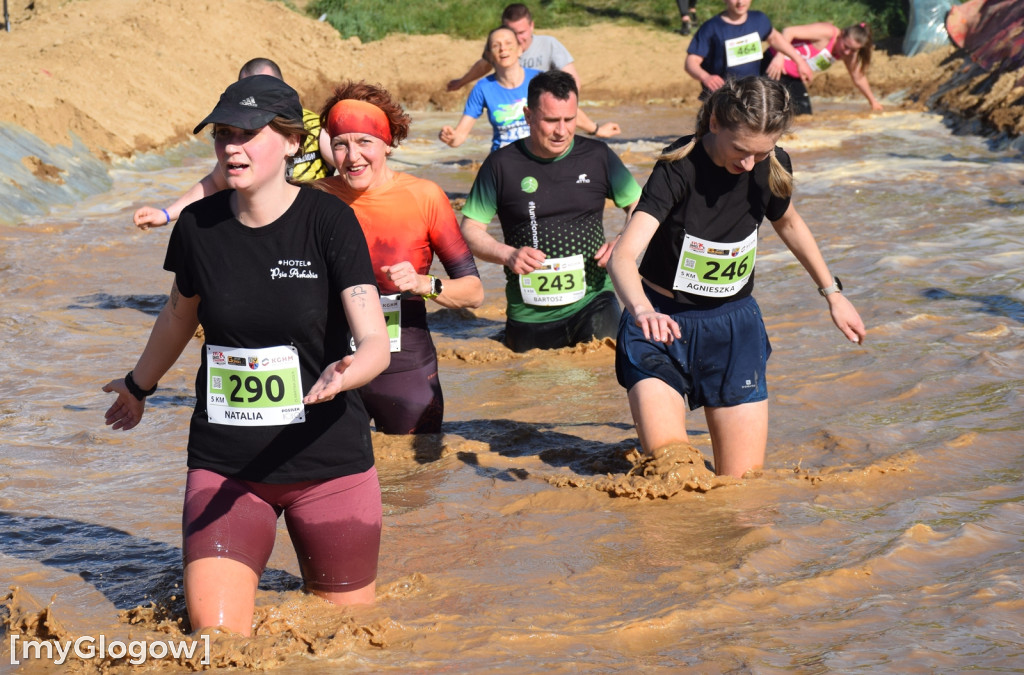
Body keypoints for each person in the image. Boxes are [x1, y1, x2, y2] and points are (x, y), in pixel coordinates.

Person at [103, 75, 391, 635]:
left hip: (329, 463)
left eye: (247, 133)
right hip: (227, 466)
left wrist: (351, 371)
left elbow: (374, 339)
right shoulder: (196, 227)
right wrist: (138, 387)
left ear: (290, 142)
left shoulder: (329, 221)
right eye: (222, 134)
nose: (231, 146)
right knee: (215, 645)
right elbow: (178, 318)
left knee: (348, 644)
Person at [607, 76, 866, 479]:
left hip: (733, 330)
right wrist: (641, 309)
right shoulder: (677, 169)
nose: (748, 164)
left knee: (743, 491)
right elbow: (622, 256)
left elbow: (790, 223)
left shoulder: (773, 163)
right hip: (660, 326)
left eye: (760, 154)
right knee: (674, 472)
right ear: (714, 123)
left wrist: (832, 293)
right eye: (740, 150)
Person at [317, 81, 484, 434]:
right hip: (331, 363)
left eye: (365, 142)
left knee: (415, 482)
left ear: (388, 144)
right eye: (341, 145)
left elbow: (474, 292)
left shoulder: (424, 197)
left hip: (405, 364)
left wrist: (424, 284)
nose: (353, 156)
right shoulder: (313, 200)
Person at [459, 70, 642, 353]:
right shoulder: (501, 165)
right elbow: (470, 229)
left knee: (605, 368)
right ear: (528, 115)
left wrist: (623, 241)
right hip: (529, 313)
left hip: (594, 300)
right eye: (551, 120)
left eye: (569, 120)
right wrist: (507, 255)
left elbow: (639, 207)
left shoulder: (598, 157)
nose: (562, 131)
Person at [132, 58, 335, 230]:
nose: (232, 146)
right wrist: (166, 215)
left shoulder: (312, 127)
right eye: (247, 90)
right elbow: (214, 183)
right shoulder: (234, 142)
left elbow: (348, 165)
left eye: (250, 133)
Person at [446, 3, 620, 139]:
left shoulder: (548, 46)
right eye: (511, 33)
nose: (517, 39)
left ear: (532, 27)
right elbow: (483, 65)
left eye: (521, 32)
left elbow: (573, 82)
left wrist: (559, 104)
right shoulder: (502, 50)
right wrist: (461, 82)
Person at [439, 26, 541, 152]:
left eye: (508, 43)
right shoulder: (482, 88)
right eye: (496, 46)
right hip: (503, 162)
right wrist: (449, 137)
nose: (503, 49)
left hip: (538, 158)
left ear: (520, 49)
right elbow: (458, 138)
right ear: (489, 56)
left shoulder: (540, 79)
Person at [685, 0, 813, 97]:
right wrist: (705, 77)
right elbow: (691, 62)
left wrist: (800, 62)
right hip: (722, 95)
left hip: (752, 92)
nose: (740, 2)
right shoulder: (711, 28)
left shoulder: (759, 20)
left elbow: (775, 38)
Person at [763, 22, 883, 114]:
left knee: (804, 114)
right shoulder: (827, 32)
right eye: (846, 46)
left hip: (792, 76)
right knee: (770, 109)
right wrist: (779, 57)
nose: (847, 52)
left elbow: (858, 78)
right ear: (842, 35)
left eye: (853, 50)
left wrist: (873, 102)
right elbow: (788, 31)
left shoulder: (847, 54)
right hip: (773, 64)